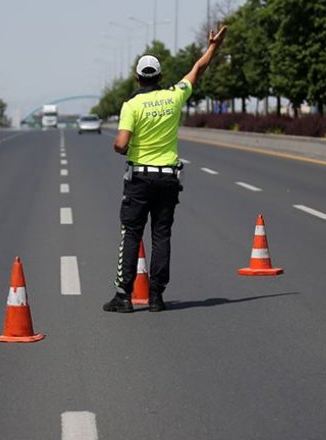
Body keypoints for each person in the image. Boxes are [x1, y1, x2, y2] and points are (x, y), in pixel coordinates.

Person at [103, 24, 228, 313]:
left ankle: (124, 296)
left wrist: (123, 145)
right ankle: (157, 296)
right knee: (161, 234)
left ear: (137, 77)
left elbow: (121, 144)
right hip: (168, 179)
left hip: (139, 179)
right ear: (160, 76)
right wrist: (214, 46)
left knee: (132, 232)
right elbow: (198, 69)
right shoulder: (174, 97)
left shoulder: (131, 105)